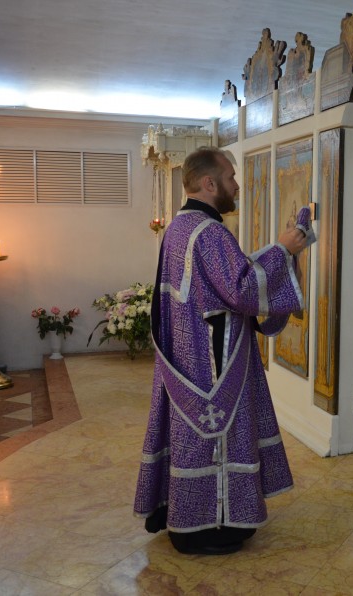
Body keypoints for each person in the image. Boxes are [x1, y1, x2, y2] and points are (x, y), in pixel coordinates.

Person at [134, 147, 309, 556]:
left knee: (190, 439)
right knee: (216, 441)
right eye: (230, 177)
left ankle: (181, 514)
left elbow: (222, 280)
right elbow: (242, 289)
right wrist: (284, 250)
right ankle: (209, 528)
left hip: (188, 356)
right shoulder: (209, 232)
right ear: (209, 183)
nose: (236, 185)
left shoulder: (179, 227)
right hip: (215, 365)